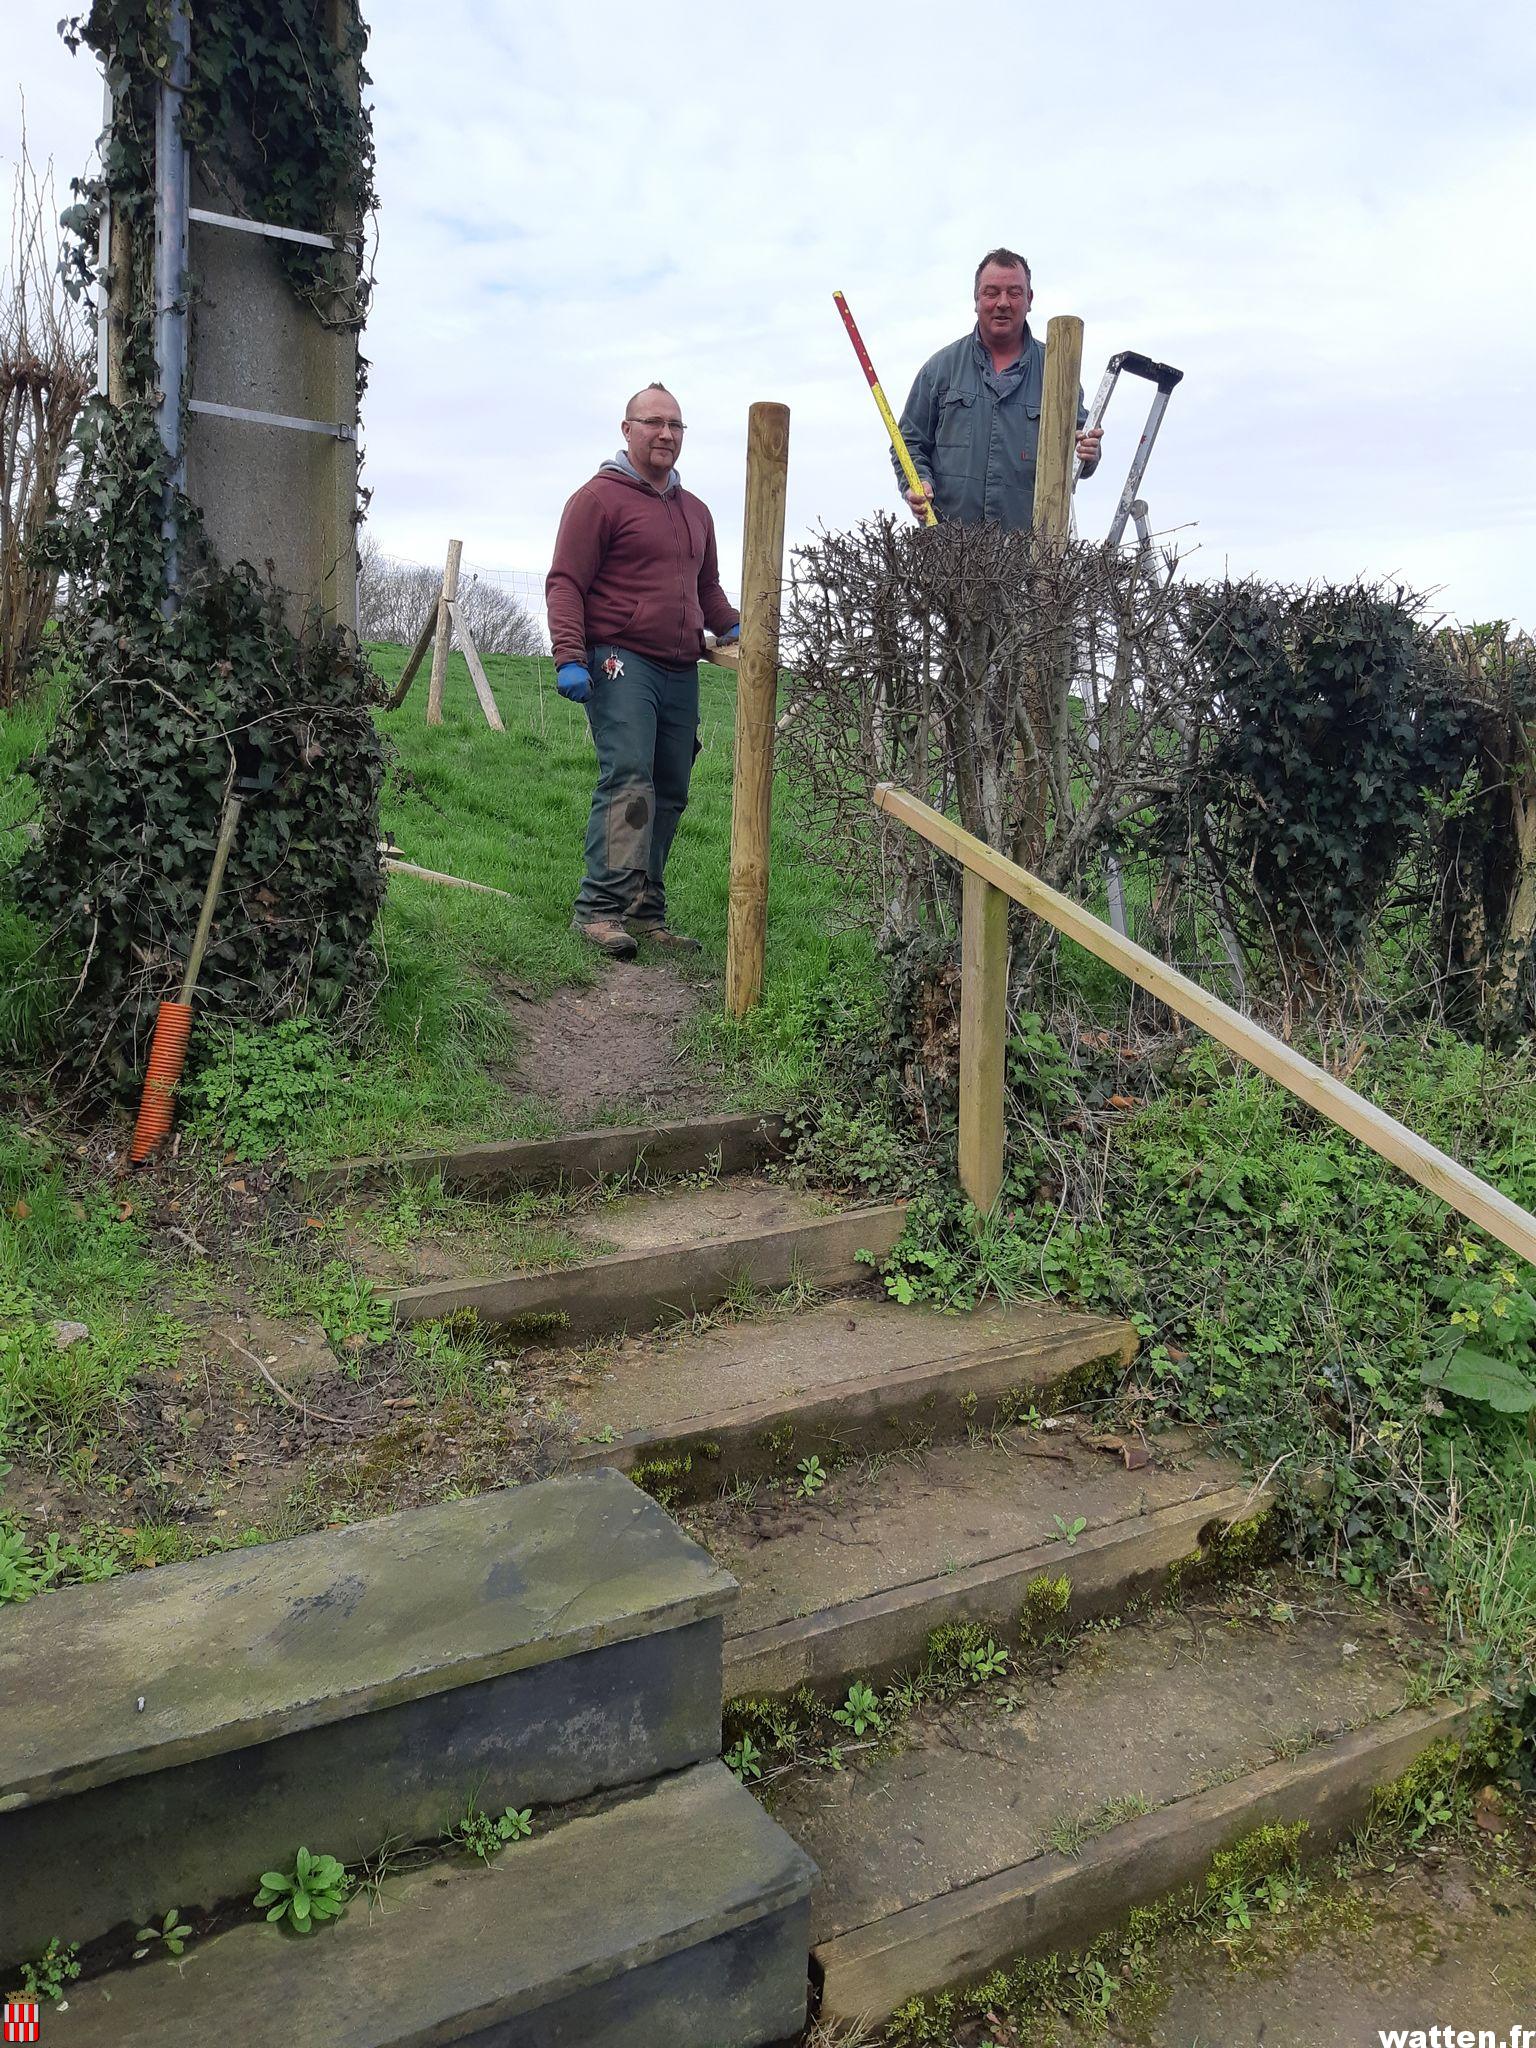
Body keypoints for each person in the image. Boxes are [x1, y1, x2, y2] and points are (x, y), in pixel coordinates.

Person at [546, 383, 740, 959]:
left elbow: (706, 587)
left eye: (676, 426)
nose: (666, 434)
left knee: (672, 787)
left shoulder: (695, 511)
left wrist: (731, 626)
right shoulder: (598, 500)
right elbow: (565, 582)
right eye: (653, 423)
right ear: (627, 430)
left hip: (681, 667)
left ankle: (644, 908)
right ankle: (599, 910)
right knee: (630, 777)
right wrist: (569, 657)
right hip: (619, 659)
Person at [894, 248, 1104, 528]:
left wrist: (1090, 453)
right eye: (992, 292)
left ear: (1029, 300)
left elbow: (1080, 450)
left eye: (1014, 293)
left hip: (1031, 558)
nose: (1002, 303)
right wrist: (916, 481)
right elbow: (908, 442)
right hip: (947, 555)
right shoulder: (940, 369)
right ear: (977, 299)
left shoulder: (1059, 373)